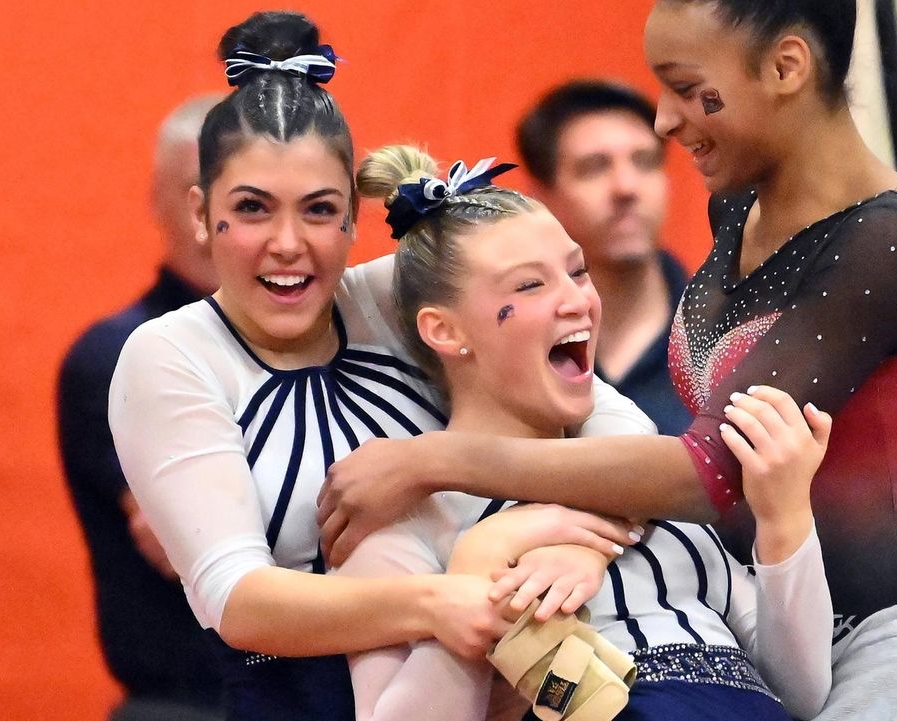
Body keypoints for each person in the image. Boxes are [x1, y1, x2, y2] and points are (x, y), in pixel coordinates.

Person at [316, 1, 897, 719]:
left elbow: (706, 469)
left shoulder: (890, 241)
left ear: (786, 68)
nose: (665, 120)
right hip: (779, 632)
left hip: (889, 647)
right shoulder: (737, 209)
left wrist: (436, 460)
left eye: (689, 89)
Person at [108, 11, 646, 721]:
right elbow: (238, 598)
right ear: (203, 214)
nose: (289, 243)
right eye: (253, 209)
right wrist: (447, 596)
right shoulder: (170, 355)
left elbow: (620, 435)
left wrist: (448, 471)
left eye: (320, 210)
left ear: (353, 223)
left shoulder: (393, 297)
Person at [340, 145, 832, 721]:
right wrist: (479, 566)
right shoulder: (408, 526)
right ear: (444, 330)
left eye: (577, 271)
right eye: (528, 287)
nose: (577, 301)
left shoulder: (649, 491)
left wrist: (784, 519)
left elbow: (800, 690)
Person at [59, 93, 225, 721]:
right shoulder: (119, 356)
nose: (218, 219)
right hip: (192, 704)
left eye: (249, 199)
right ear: (158, 202)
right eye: (196, 193)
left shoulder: (329, 351)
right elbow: (191, 544)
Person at [516, 80, 692, 435]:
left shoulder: (729, 336)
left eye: (644, 162)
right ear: (540, 199)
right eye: (594, 167)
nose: (626, 187)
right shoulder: (512, 351)